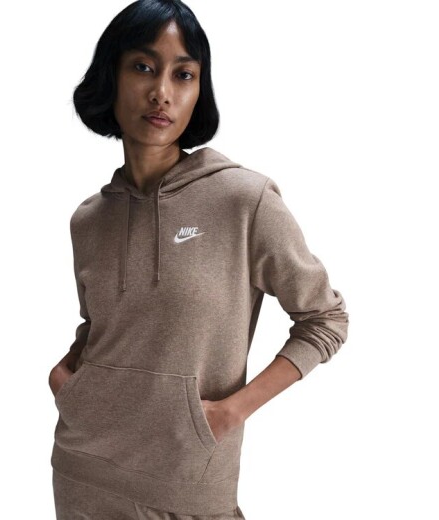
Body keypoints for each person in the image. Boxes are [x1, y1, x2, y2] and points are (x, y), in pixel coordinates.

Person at [48, 1, 350, 518]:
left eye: (183, 74)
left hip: (189, 483)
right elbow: (104, 324)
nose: (162, 92)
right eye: (143, 67)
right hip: (82, 473)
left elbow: (326, 320)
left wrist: (232, 411)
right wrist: (67, 378)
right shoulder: (89, 219)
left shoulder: (244, 200)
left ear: (198, 91)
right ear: (111, 77)